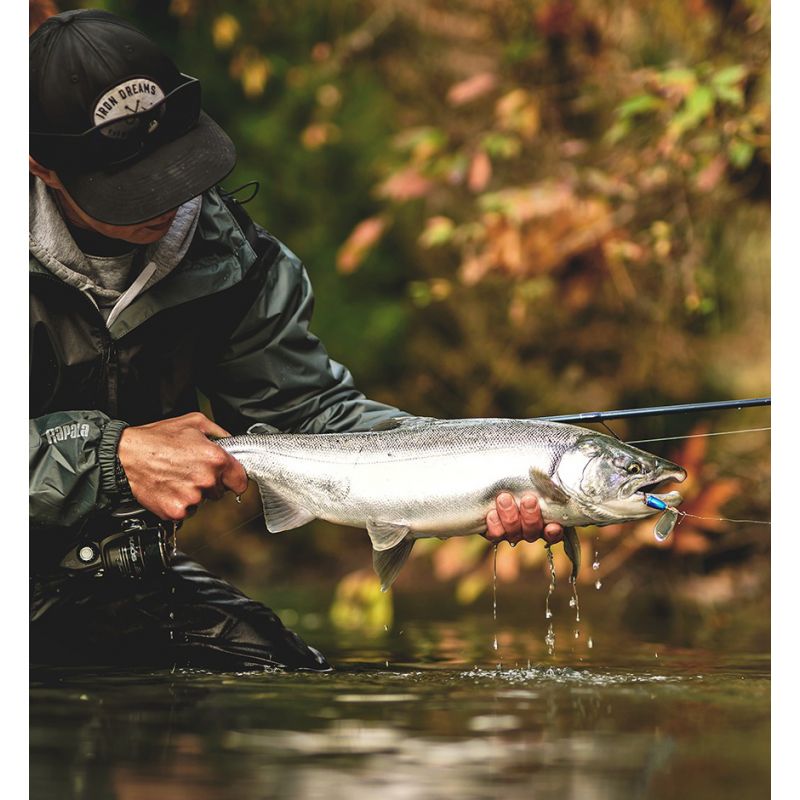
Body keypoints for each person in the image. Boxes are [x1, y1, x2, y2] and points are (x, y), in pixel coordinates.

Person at [29, 9, 564, 672]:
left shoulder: (229, 258)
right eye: (129, 187)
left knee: (285, 674)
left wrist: (477, 468)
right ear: (41, 166)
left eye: (173, 165)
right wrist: (111, 456)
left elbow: (312, 419)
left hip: (107, 575)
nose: (166, 200)